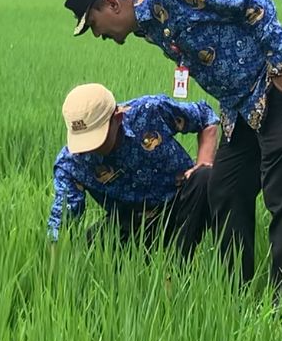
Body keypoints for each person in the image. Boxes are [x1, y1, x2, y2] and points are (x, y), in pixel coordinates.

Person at [64, 0, 282, 294]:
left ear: (113, 3)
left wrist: (281, 66)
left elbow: (257, 1)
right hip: (242, 107)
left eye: (95, 25)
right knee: (225, 189)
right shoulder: (147, 25)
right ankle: (236, 294)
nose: (99, 35)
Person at [48, 82, 218, 257]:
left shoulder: (150, 111)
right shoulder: (71, 163)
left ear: (117, 119)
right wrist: (55, 268)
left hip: (180, 201)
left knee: (204, 176)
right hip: (130, 220)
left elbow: (205, 116)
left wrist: (202, 162)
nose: (89, 149)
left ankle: (179, 267)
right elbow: (62, 221)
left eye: (97, 138)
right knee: (86, 253)